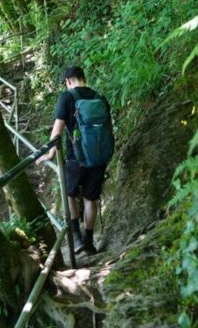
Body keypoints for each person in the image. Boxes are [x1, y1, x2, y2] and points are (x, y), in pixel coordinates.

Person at [36, 65, 113, 255]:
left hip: (75, 158)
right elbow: (109, 130)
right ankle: (89, 241)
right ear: (83, 78)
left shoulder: (67, 97)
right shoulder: (99, 97)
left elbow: (57, 130)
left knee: (69, 195)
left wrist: (51, 153)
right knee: (90, 199)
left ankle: (76, 238)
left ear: (68, 81)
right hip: (98, 157)